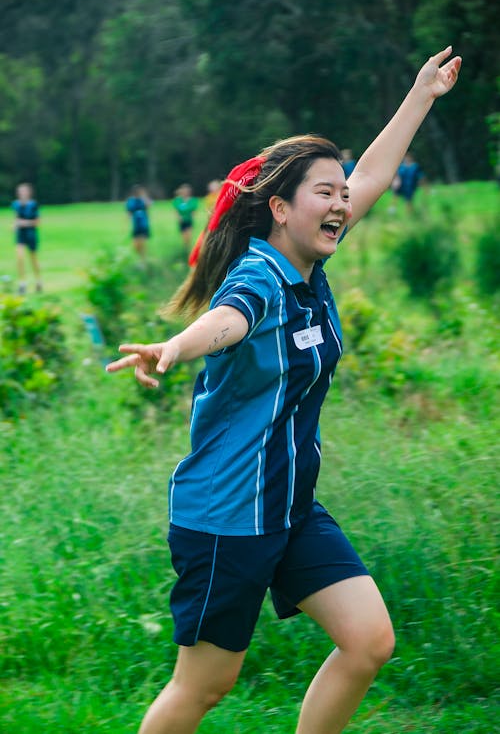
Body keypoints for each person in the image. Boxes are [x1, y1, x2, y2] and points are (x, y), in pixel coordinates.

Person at [106, 47, 461, 734]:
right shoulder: (261, 278)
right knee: (206, 684)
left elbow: (375, 175)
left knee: (368, 642)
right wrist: (172, 348)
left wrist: (422, 93)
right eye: (324, 193)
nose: (341, 203)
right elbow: (225, 322)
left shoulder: (310, 262)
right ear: (279, 208)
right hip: (226, 516)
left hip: (289, 506)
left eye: (341, 195)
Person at [12, 182, 42, 294]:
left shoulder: (33, 205)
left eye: (24, 191)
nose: (22, 193)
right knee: (20, 257)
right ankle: (22, 283)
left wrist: (25, 223)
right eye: (20, 192)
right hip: (20, 235)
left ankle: (38, 280)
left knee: (33, 259)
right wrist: (14, 225)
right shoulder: (16, 204)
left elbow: (38, 222)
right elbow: (16, 218)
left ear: (29, 193)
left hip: (31, 234)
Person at [188, 179, 222, 268]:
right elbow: (208, 210)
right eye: (211, 187)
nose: (212, 189)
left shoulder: (222, 194)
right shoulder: (208, 198)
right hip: (212, 222)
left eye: (214, 187)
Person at [126, 185, 152, 260]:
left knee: (143, 243)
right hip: (135, 225)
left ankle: (144, 259)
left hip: (144, 224)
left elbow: (149, 205)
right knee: (135, 245)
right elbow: (129, 212)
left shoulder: (143, 200)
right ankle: (141, 257)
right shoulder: (131, 201)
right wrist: (127, 222)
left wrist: (144, 196)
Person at [173, 184, 198, 252]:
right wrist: (178, 217)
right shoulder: (177, 200)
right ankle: (186, 247)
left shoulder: (193, 200)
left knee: (189, 234)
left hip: (189, 220)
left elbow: (194, 210)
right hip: (182, 221)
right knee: (184, 235)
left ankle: (188, 246)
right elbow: (176, 210)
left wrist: (193, 215)